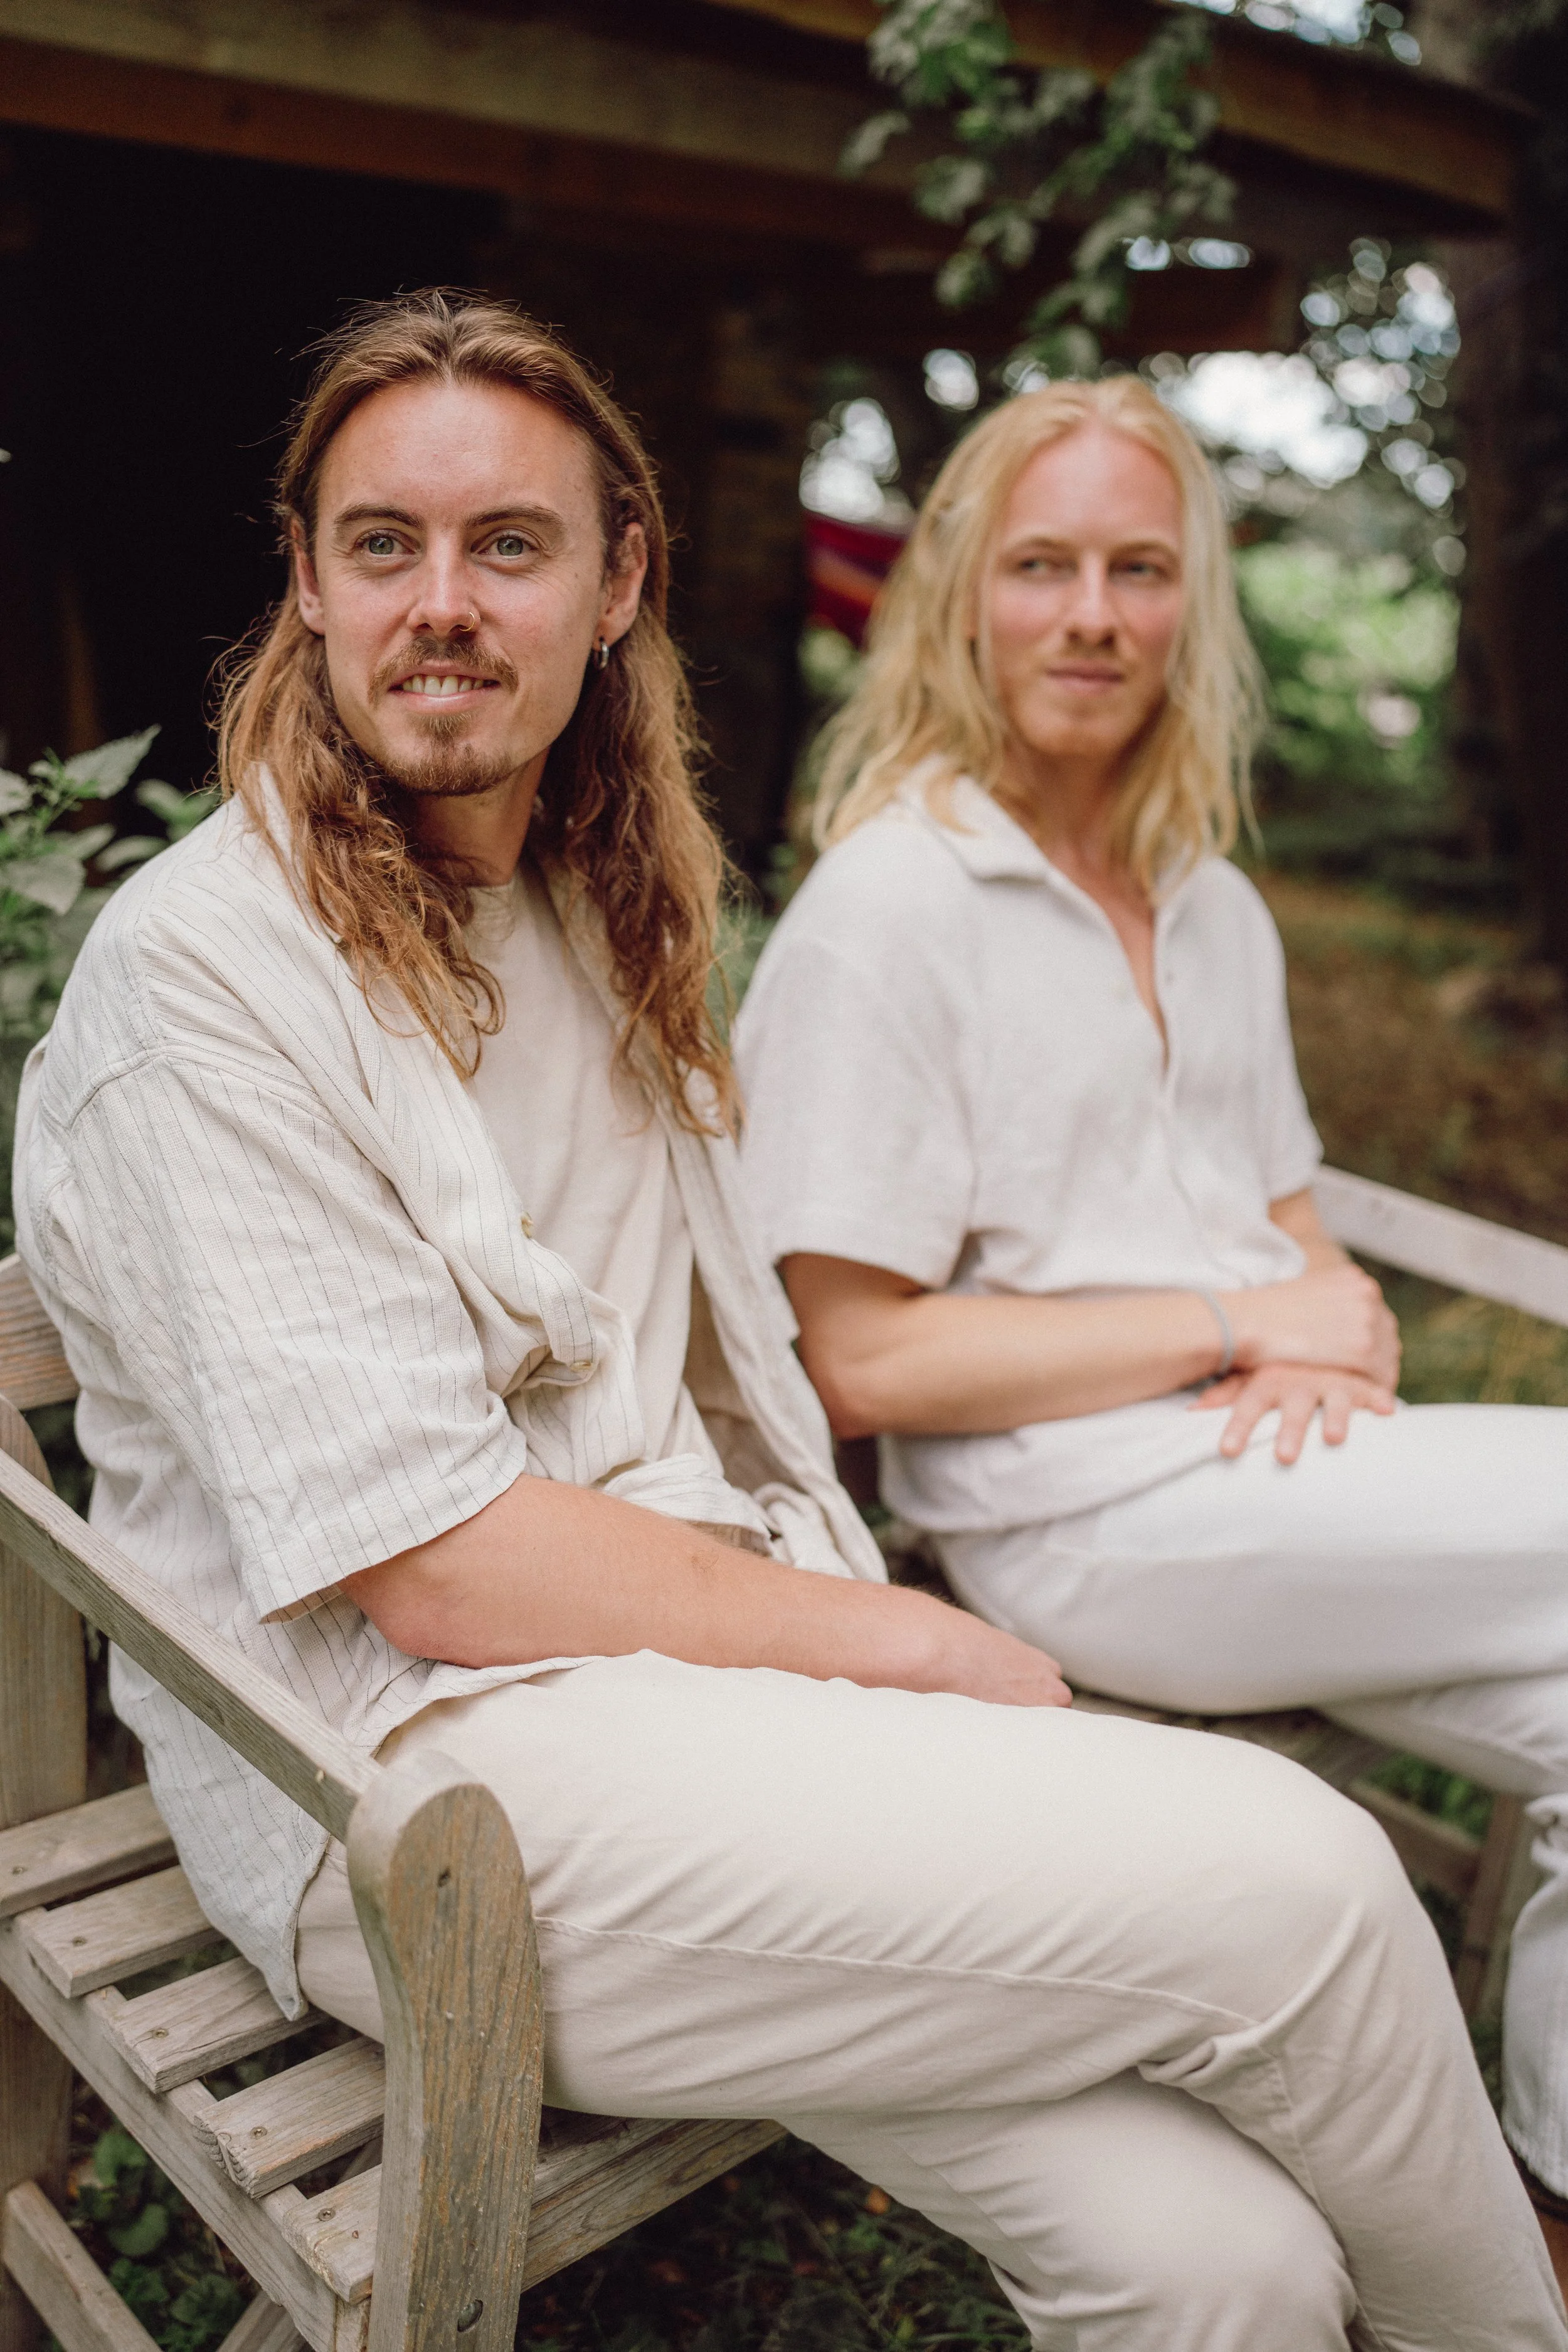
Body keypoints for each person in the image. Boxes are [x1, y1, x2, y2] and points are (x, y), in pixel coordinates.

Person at [15, 295, 1562, 2352]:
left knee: (1221, 2265)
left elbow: (713, 1378)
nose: (441, 602)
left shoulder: (594, 900)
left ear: (616, 581)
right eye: (384, 543)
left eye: (509, 544)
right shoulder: (204, 980)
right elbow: (439, 1565)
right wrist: (899, 1638)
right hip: (395, 1788)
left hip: (688, 1701)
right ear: (305, 579)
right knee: (1311, 1887)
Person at [733, 370, 1568, 2270]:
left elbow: (1303, 1252)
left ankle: (1548, 2209)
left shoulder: (1211, 905)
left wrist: (1320, 1324)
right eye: (1042, 566)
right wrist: (1231, 1316)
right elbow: (861, 1360)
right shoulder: (891, 908)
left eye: (1138, 568)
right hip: (1068, 1520)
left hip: (1276, 1484)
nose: (1092, 616)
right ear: (961, 594)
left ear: (1192, 603)